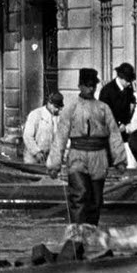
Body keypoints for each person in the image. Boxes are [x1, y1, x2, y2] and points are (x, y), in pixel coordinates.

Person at [47, 67, 127, 226]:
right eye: (87, 85)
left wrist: (120, 160)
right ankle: (76, 238)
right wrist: (54, 164)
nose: (90, 89)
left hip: (99, 158)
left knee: (96, 202)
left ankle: (90, 236)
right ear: (80, 86)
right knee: (79, 196)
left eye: (93, 86)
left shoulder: (103, 108)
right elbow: (61, 136)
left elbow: (114, 134)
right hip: (77, 156)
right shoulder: (71, 108)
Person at [22, 90, 64, 164]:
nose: (57, 110)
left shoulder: (58, 118)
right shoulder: (35, 114)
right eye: (56, 107)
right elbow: (27, 136)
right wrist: (36, 152)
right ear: (49, 103)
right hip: (33, 158)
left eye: (59, 108)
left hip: (49, 158)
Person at [98, 62, 137, 133]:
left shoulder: (129, 89)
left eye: (131, 81)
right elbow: (104, 113)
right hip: (110, 130)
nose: (129, 83)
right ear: (120, 77)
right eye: (127, 80)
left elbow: (131, 104)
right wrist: (118, 124)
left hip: (125, 130)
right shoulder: (107, 91)